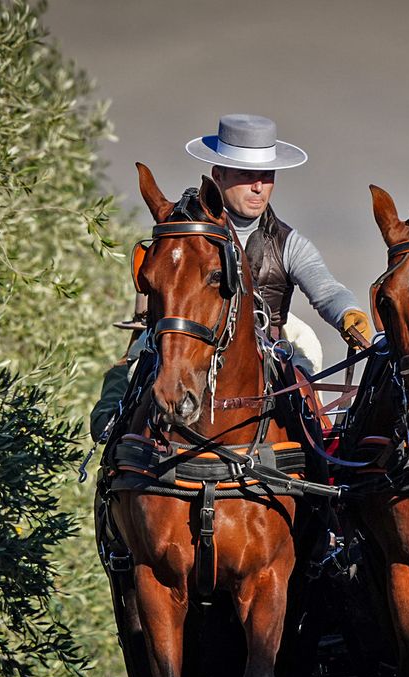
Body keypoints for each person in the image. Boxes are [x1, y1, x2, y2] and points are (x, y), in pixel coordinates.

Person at [90, 113, 374, 441]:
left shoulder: (288, 242)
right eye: (245, 174)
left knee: (306, 354)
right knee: (135, 363)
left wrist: (348, 312)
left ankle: (316, 459)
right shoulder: (182, 232)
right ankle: (115, 449)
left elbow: (325, 289)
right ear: (218, 177)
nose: (258, 186)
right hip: (187, 325)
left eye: (266, 175)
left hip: (269, 334)